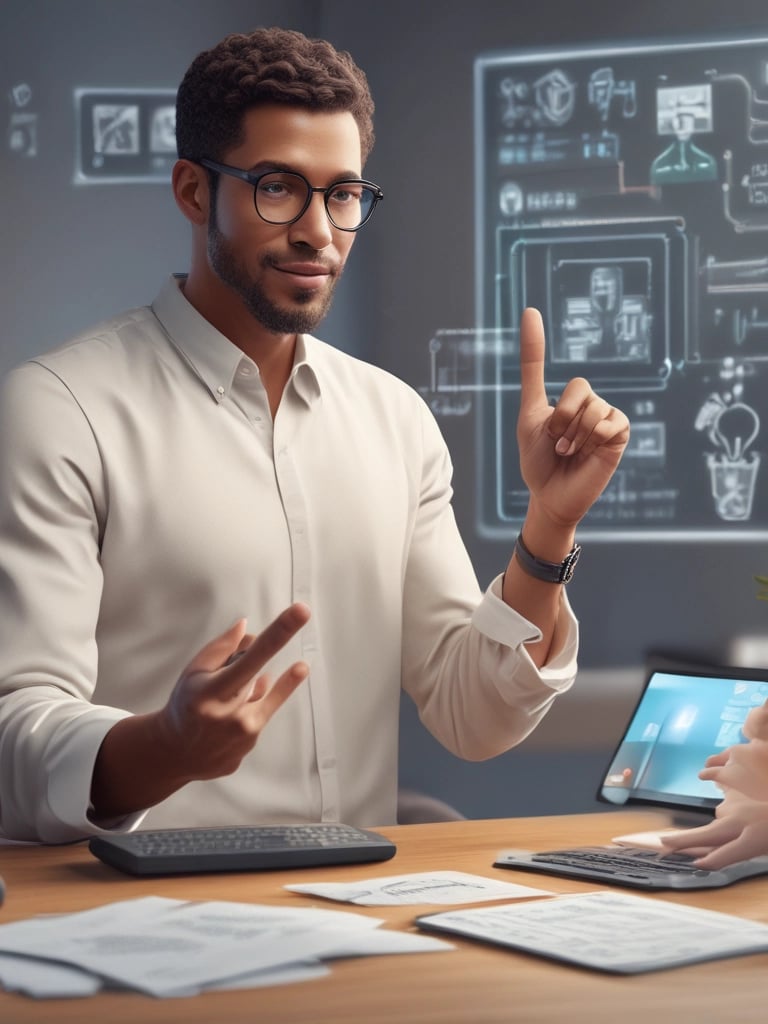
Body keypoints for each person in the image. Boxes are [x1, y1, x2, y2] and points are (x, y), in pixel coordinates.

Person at [0, 27, 629, 843]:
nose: (319, 232)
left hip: (355, 929)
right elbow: (14, 738)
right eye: (277, 188)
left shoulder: (393, 418)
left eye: (342, 194)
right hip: (140, 935)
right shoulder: (60, 411)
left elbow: (472, 716)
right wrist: (167, 746)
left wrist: (548, 529)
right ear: (194, 191)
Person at [661, 699, 768, 869]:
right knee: (735, 824)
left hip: (750, 814)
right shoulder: (739, 750)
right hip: (737, 811)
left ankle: (708, 851)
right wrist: (715, 772)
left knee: (747, 825)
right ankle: (694, 844)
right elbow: (713, 764)